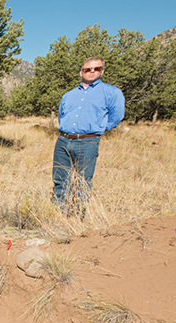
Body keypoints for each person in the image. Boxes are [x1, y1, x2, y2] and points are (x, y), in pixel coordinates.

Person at [54, 56, 125, 214]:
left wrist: (99, 129)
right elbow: (62, 116)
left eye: (96, 69)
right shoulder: (68, 95)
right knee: (60, 178)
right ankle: (59, 212)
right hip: (63, 141)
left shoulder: (111, 92)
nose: (92, 72)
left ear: (102, 71)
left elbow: (117, 115)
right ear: (81, 72)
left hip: (87, 142)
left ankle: (78, 215)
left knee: (82, 180)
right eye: (88, 69)